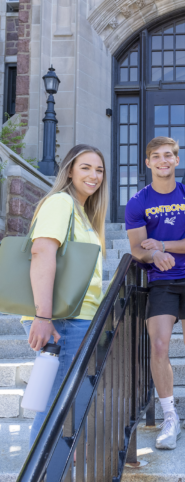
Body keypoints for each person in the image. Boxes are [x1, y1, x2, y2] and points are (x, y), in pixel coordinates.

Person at [125, 136, 185, 450]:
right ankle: (169, 417)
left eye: (169, 156)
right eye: (156, 157)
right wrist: (153, 256)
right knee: (159, 344)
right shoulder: (138, 201)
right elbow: (137, 248)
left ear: (176, 161)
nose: (163, 161)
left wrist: (163, 245)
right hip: (160, 281)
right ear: (148, 163)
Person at [21, 145, 108, 447]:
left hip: (79, 319)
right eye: (85, 167)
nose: (94, 175)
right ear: (69, 170)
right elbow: (42, 252)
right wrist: (43, 316)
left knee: (63, 405)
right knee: (54, 409)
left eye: (99, 170)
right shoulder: (60, 203)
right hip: (63, 321)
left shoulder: (84, 213)